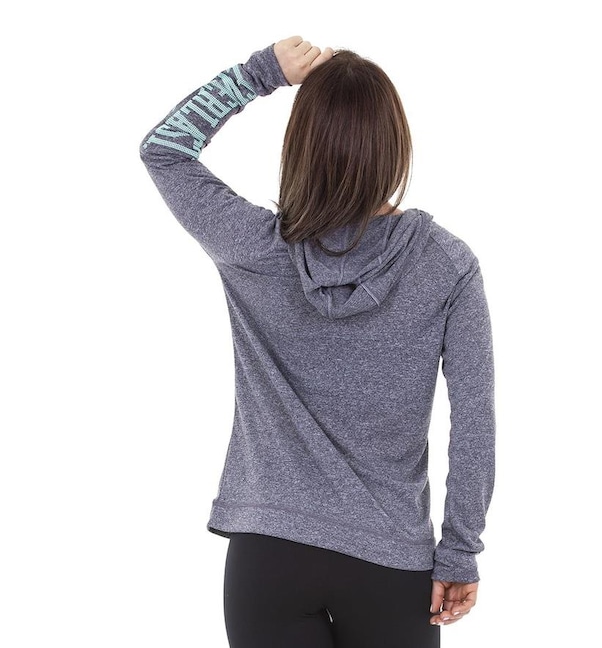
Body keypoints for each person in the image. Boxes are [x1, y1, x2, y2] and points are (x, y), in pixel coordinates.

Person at [139, 35, 496, 648]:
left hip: (269, 555)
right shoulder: (446, 265)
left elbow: (165, 150)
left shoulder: (254, 248)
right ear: (395, 146)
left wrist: (260, 74)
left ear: (300, 145)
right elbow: (474, 421)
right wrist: (460, 550)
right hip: (389, 562)